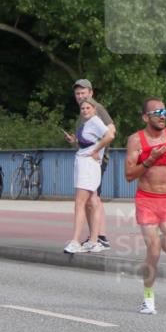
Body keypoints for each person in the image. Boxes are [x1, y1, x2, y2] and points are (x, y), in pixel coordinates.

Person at [124, 98, 166, 314]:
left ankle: (160, 240)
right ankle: (148, 299)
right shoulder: (136, 140)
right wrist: (150, 160)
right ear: (145, 117)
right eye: (157, 112)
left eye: (164, 111)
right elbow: (129, 175)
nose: (162, 115)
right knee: (153, 249)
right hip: (147, 200)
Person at [65, 79, 116, 249]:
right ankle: (95, 238)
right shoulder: (83, 114)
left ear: (91, 93)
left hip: (95, 161)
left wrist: (98, 152)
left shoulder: (97, 108)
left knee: (92, 200)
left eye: (83, 93)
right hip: (85, 159)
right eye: (77, 93)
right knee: (90, 199)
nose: (80, 96)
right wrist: (74, 141)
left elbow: (111, 131)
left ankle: (100, 236)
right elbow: (85, 141)